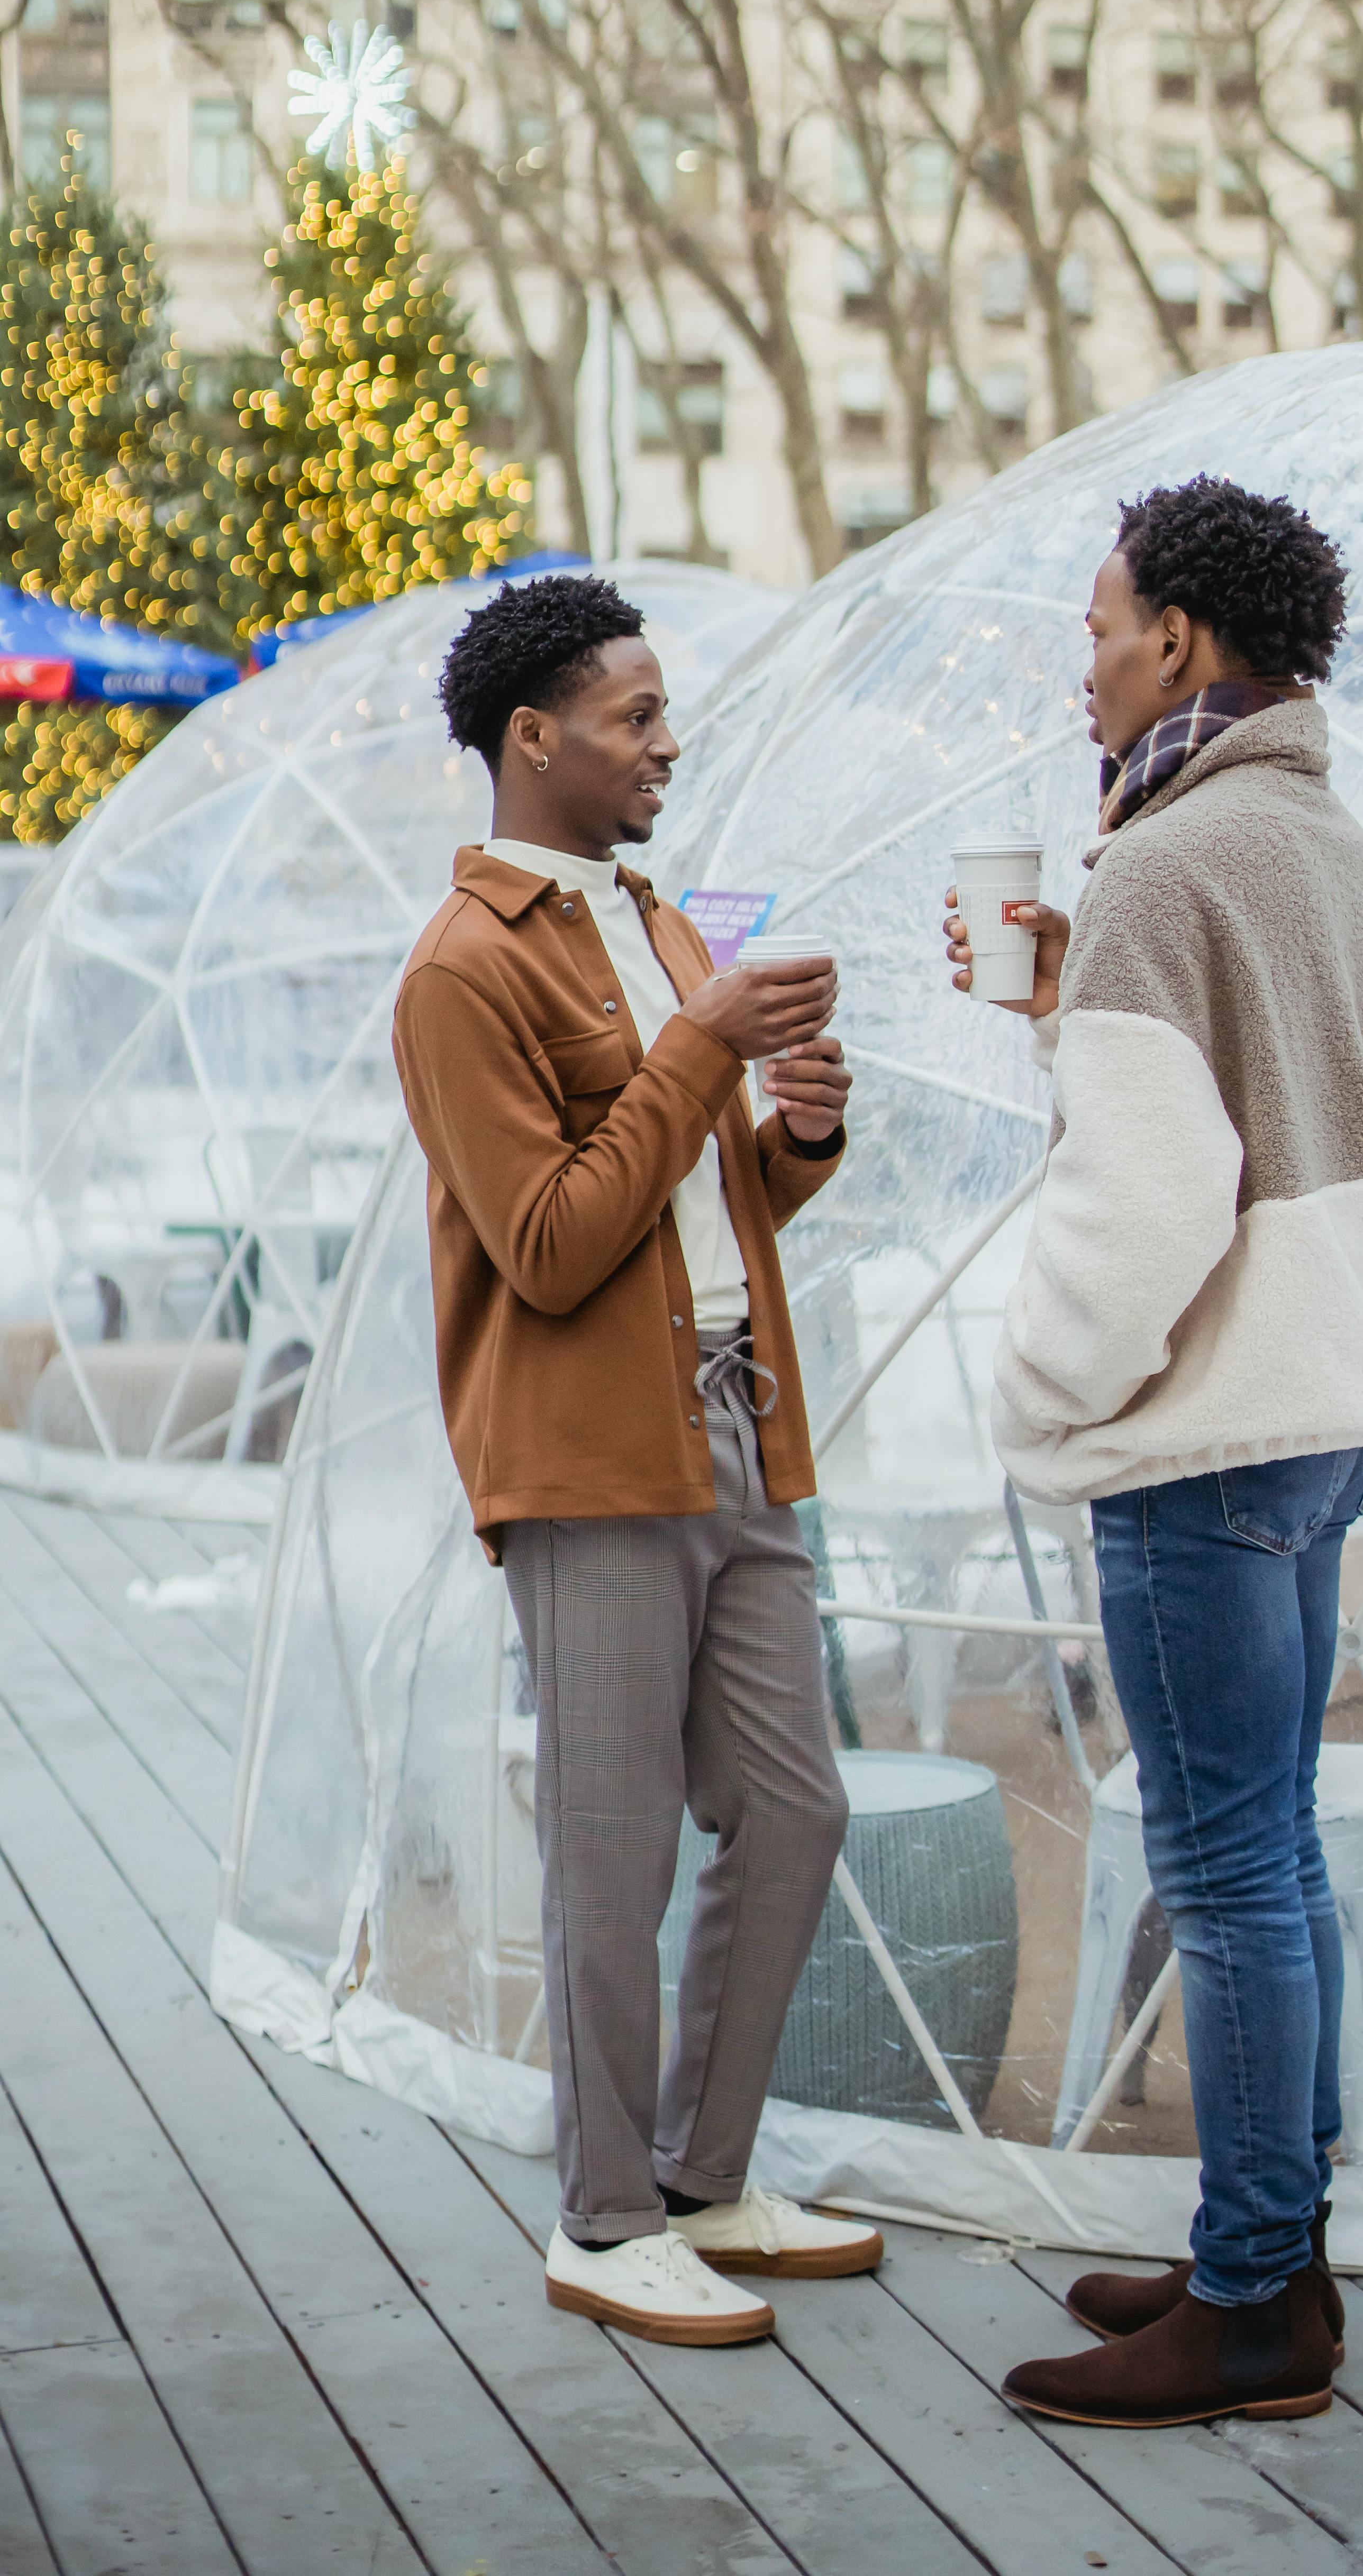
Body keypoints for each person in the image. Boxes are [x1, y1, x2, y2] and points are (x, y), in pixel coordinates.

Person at [944, 477, 1363, 2430]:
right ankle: (1275, 2249)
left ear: (1181, 644)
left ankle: (1245, 2311)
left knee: (1223, 1870)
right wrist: (1098, 1001)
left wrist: (1047, 1392)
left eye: (1097, 627)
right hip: (1324, 1407)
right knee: (1272, 1864)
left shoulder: (1165, 865)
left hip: (1205, 1433)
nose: (1082, 664)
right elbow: (1338, 1078)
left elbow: (1147, 1205)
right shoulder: (1311, 834)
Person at [395, 570, 879, 2352]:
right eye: (636, 715)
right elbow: (546, 1242)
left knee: (799, 1807)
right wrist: (703, 1047)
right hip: (591, 1463)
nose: (669, 741)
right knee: (611, 1853)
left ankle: (701, 2175)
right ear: (535, 739)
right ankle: (602, 2220)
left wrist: (799, 1133)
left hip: (737, 1425)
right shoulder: (463, 971)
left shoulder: (663, 921)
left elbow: (702, 1189)